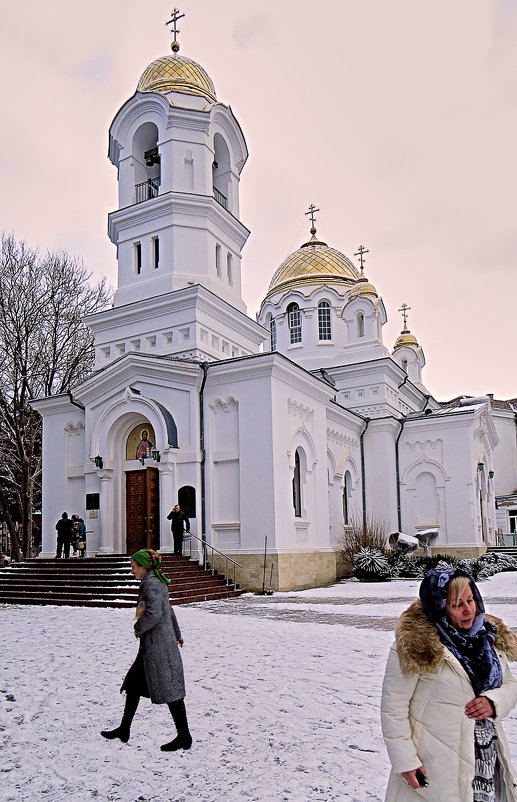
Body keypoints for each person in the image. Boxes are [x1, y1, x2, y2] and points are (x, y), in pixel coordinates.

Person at [381, 567, 517, 801]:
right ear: (439, 606)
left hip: (486, 759)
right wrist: (406, 761)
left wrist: (493, 703)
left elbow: (510, 685)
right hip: (436, 769)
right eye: (457, 604)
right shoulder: (418, 644)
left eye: (470, 600)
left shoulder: (488, 637)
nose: (468, 610)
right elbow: (393, 708)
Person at [101, 548, 192, 751]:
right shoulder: (155, 582)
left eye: (133, 567)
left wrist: (138, 627)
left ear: (144, 566)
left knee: (171, 691)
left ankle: (184, 736)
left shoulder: (151, 584)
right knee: (134, 685)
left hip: (157, 646)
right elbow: (169, 610)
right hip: (153, 646)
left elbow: (156, 614)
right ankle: (124, 728)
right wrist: (177, 633)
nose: (132, 571)